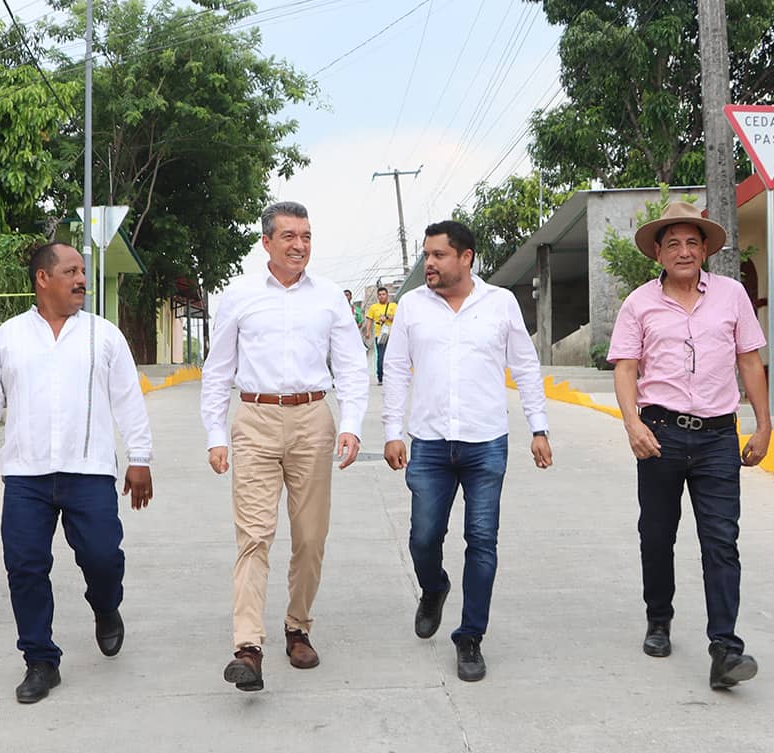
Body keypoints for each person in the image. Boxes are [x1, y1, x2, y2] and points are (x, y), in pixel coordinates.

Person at [0, 242, 154, 705]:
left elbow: (128, 399)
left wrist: (140, 457)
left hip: (90, 472)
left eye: (82, 272)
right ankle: (41, 660)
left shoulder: (104, 336)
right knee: (24, 567)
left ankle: (105, 606)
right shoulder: (8, 338)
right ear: (43, 279)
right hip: (26, 476)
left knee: (103, 557)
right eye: (71, 271)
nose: (81, 280)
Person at [201, 201, 370, 693]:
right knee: (254, 535)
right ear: (266, 243)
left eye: (307, 236)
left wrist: (352, 424)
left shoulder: (329, 299)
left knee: (310, 537)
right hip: (253, 419)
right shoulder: (239, 295)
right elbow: (218, 370)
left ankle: (298, 627)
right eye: (290, 236)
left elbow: (353, 366)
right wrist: (216, 434)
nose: (300, 245)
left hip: (313, 419)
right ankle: (247, 648)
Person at [607, 200, 772, 691]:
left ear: (705, 250)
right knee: (657, 536)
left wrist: (763, 426)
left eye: (692, 242)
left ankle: (725, 647)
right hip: (659, 432)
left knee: (721, 541)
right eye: (673, 243)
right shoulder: (638, 303)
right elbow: (626, 368)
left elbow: (749, 363)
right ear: (658, 252)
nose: (684, 251)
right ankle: (659, 618)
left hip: (720, 435)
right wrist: (632, 424)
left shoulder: (732, 295)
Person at [382, 220, 553, 682]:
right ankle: (434, 587)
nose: (429, 264)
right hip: (430, 444)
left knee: (481, 541)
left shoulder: (499, 304)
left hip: (486, 444)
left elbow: (525, 365)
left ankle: (470, 637)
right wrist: (392, 431)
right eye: (427, 255)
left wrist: (539, 427)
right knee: (423, 537)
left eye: (438, 255)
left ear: (466, 257)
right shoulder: (412, 307)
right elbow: (396, 369)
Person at [365, 285, 397, 384]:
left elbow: (398, 318)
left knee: (393, 356)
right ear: (377, 296)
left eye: (383, 294)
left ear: (387, 295)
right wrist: (367, 332)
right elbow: (369, 320)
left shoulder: (393, 306)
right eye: (380, 295)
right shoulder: (373, 307)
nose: (382, 296)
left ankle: (393, 376)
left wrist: (387, 318)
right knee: (381, 356)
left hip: (392, 334)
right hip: (380, 336)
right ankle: (380, 377)